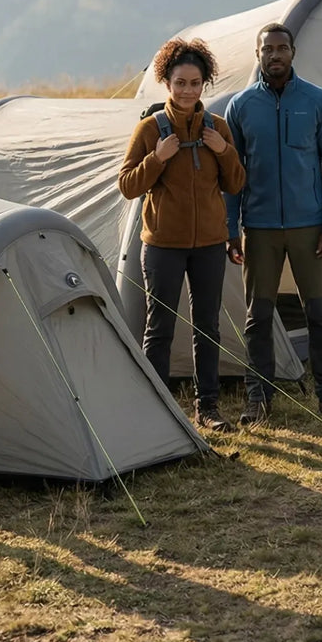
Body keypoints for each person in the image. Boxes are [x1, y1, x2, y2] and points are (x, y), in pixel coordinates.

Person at [224, 23, 322, 425]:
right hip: (259, 229)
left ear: (293, 52)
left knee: (320, 315)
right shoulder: (241, 107)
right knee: (257, 317)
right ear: (258, 55)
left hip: (310, 228)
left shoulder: (318, 102)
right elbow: (232, 176)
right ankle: (257, 400)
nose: (275, 56)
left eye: (282, 48)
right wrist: (232, 228)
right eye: (267, 50)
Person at [118, 38, 246, 432]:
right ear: (166, 83)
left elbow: (237, 182)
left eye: (195, 83)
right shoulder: (149, 129)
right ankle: (155, 409)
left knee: (207, 325)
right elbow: (127, 186)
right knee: (159, 328)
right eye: (180, 83)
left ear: (204, 84)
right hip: (162, 247)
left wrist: (223, 149)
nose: (188, 90)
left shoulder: (218, 128)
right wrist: (158, 158)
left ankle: (207, 409)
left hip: (209, 244)